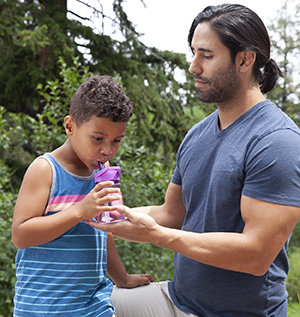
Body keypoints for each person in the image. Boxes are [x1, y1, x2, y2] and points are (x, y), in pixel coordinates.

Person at [87, 4, 300, 317]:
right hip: (176, 300)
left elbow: (256, 255)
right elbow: (171, 214)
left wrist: (157, 237)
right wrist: (101, 216)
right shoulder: (197, 135)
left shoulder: (277, 141)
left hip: (241, 313)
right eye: (193, 53)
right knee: (78, 305)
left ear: (245, 59)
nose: (193, 66)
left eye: (206, 55)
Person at [12, 75, 154, 317]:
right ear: (70, 126)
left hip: (93, 307)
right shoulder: (45, 170)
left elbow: (102, 230)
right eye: (98, 139)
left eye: (116, 141)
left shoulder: (102, 171)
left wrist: (122, 278)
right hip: (43, 308)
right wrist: (79, 211)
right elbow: (21, 235)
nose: (107, 150)